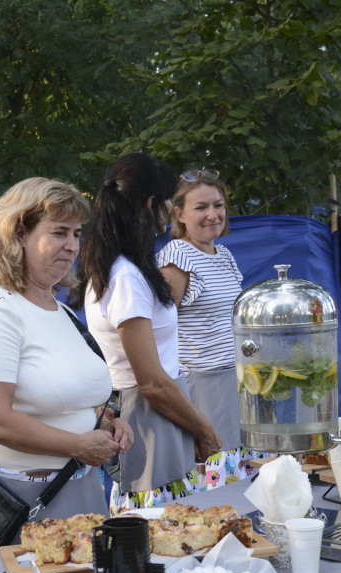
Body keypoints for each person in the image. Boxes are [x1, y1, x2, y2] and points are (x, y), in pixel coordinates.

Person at [0, 177, 133, 550]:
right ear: (19, 232)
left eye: (77, 234)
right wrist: (78, 445)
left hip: (79, 488)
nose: (73, 246)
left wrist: (109, 423)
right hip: (22, 502)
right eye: (59, 233)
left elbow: (73, 395)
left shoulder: (64, 312)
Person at [78, 153, 222, 510]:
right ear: (150, 204)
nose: (171, 207)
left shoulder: (117, 267)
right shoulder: (126, 277)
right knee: (157, 525)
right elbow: (152, 381)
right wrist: (203, 428)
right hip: (148, 416)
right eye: (168, 199)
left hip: (158, 411)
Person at [157, 168, 246, 489]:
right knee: (213, 481)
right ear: (178, 214)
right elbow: (157, 333)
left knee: (238, 475)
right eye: (201, 208)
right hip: (200, 388)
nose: (213, 215)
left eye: (218, 205)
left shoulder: (224, 254)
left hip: (235, 383)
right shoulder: (176, 258)